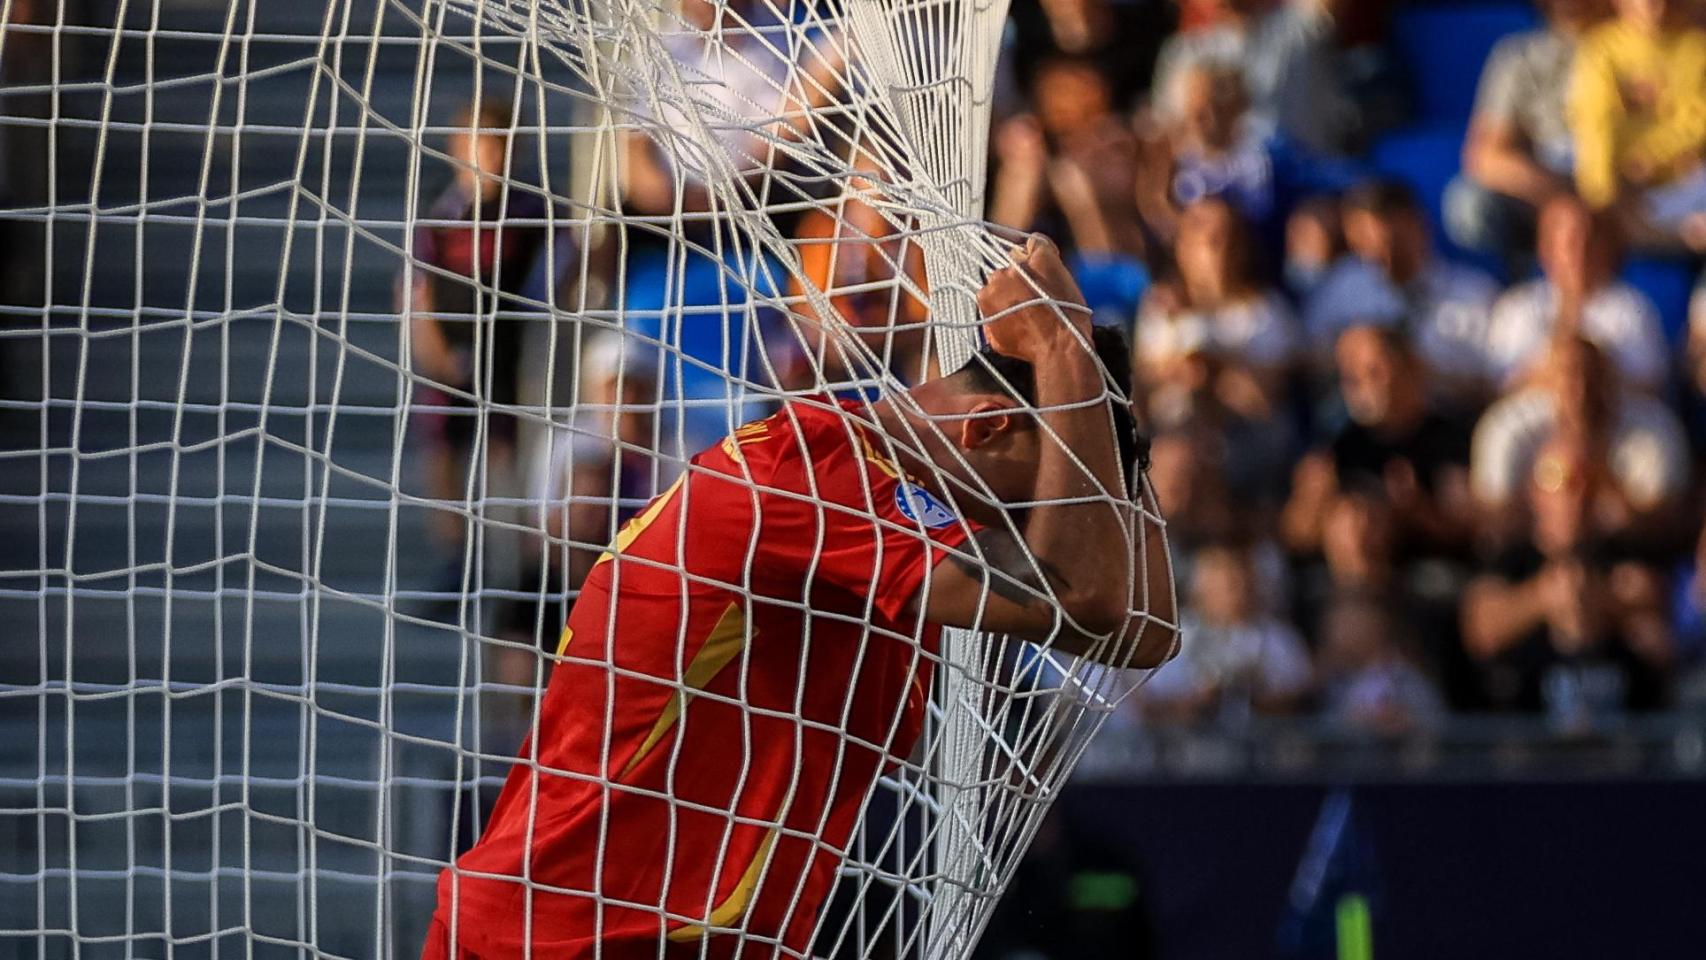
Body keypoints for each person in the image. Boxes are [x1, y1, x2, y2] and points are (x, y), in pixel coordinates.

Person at [420, 237, 1177, 959]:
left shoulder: (879, 506)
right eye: (1031, 503)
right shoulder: (822, 469)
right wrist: (1060, 350)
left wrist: (1100, 408)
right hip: (566, 937)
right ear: (985, 429)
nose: (1032, 528)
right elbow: (1086, 594)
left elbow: (1145, 629)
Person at [403, 98, 552, 561]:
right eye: (481, 145)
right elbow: (415, 289)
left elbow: (562, 271)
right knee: (444, 447)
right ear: (457, 148)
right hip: (450, 353)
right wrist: (432, 351)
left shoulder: (532, 212)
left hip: (509, 354)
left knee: (506, 451)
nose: (491, 157)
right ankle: (454, 557)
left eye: (500, 146)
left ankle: (512, 555)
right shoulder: (440, 212)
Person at [1462, 434, 1675, 718]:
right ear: (1534, 490)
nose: (1577, 494)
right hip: (1527, 723)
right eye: (1559, 478)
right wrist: (1544, 597)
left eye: (1589, 480)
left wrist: (1602, 600)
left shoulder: (1624, 555)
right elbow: (1480, 631)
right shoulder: (1510, 559)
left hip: (1621, 725)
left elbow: (1658, 627)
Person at [1304, 180, 1501, 405]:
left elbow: (1496, 383)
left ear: (1419, 226)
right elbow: (1308, 359)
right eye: (1364, 243)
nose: (1381, 256)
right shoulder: (1343, 287)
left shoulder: (1477, 293)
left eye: (1392, 242)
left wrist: (1419, 374)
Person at [1471, 334, 1689, 536]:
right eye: (1567, 377)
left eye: (1591, 378)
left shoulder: (1652, 432)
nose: (1580, 392)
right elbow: (1492, 511)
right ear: (1547, 381)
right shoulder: (1510, 429)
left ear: (1609, 382)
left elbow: (1665, 515)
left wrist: (1601, 484)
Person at [1447, 0, 1611, 259]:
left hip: (1623, 183)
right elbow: (1486, 157)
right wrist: (1567, 195)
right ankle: (1523, 270)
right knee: (1470, 203)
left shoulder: (1643, 50)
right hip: (1549, 184)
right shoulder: (1519, 56)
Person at [1134, 197, 1298, 425]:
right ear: (1182, 247)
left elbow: (1267, 393)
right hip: (1171, 431)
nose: (1216, 249)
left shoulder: (1267, 311)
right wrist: (1172, 370)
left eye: (1226, 238)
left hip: (1244, 433)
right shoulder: (1161, 305)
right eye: (1202, 237)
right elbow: (1144, 378)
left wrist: (1212, 369)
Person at [1485, 194, 1667, 392]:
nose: (1580, 253)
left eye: (1590, 242)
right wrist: (1560, 374)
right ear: (1547, 249)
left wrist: (1590, 373)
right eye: (1570, 243)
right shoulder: (1517, 307)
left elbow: (1650, 384)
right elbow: (1498, 384)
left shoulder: (1631, 308)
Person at [1567, 0, 1706, 248]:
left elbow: (1696, 123)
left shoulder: (1696, 48)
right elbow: (1594, 123)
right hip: (1618, 178)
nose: (1656, 7)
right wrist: (1602, 192)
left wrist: (1650, 157)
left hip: (1682, 181)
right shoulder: (1601, 48)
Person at [1151, 0, 1360, 157]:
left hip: (1308, 183)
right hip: (1214, 189)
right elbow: (1166, 133)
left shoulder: (1301, 28)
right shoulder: (1185, 52)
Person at [1139, 539, 1313, 727]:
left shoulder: (1278, 637)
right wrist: (1202, 699)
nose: (1238, 590)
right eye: (1227, 584)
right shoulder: (1177, 637)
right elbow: (1152, 702)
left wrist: (1251, 696)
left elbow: (1303, 698)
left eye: (1241, 580)